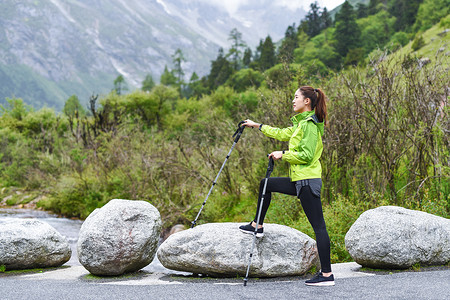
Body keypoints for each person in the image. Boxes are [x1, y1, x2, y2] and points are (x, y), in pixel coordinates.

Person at [240, 86, 334, 286]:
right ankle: (258, 225)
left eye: (296, 97)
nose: (293, 100)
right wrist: (257, 126)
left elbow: (307, 155)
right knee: (266, 184)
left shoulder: (309, 125)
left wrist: (283, 154)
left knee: (319, 227)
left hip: (307, 182)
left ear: (307, 101)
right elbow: (282, 133)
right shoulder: (300, 124)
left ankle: (326, 275)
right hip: (299, 180)